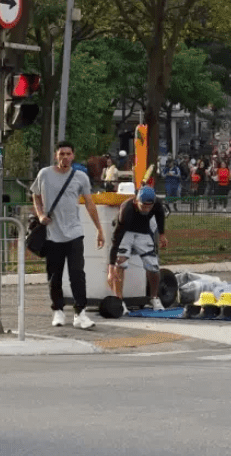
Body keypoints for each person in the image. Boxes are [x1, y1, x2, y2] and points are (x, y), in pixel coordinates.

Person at [30, 141, 105, 330]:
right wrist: (40, 215)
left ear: (73, 156)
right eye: (61, 153)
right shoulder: (44, 174)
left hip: (74, 233)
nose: (65, 157)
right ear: (56, 155)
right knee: (54, 276)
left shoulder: (80, 177)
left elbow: (89, 203)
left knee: (77, 274)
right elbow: (35, 195)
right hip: (52, 234)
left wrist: (99, 229)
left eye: (68, 154)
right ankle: (58, 310)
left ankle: (80, 312)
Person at [108, 186, 169, 313]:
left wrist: (162, 234)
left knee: (153, 265)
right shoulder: (127, 210)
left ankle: (154, 297)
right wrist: (111, 266)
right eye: (144, 206)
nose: (147, 209)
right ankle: (119, 300)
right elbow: (116, 238)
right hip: (125, 232)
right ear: (136, 202)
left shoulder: (156, 203)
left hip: (143, 232)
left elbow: (160, 215)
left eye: (149, 206)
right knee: (121, 263)